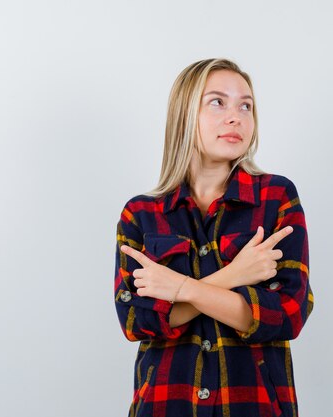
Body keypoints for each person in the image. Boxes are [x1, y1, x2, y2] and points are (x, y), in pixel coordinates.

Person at [113, 58, 313, 417]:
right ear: (184, 114)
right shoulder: (141, 214)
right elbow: (136, 321)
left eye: (246, 106)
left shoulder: (276, 198)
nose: (236, 116)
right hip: (163, 406)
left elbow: (287, 314)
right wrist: (234, 276)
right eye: (217, 102)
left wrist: (179, 290)